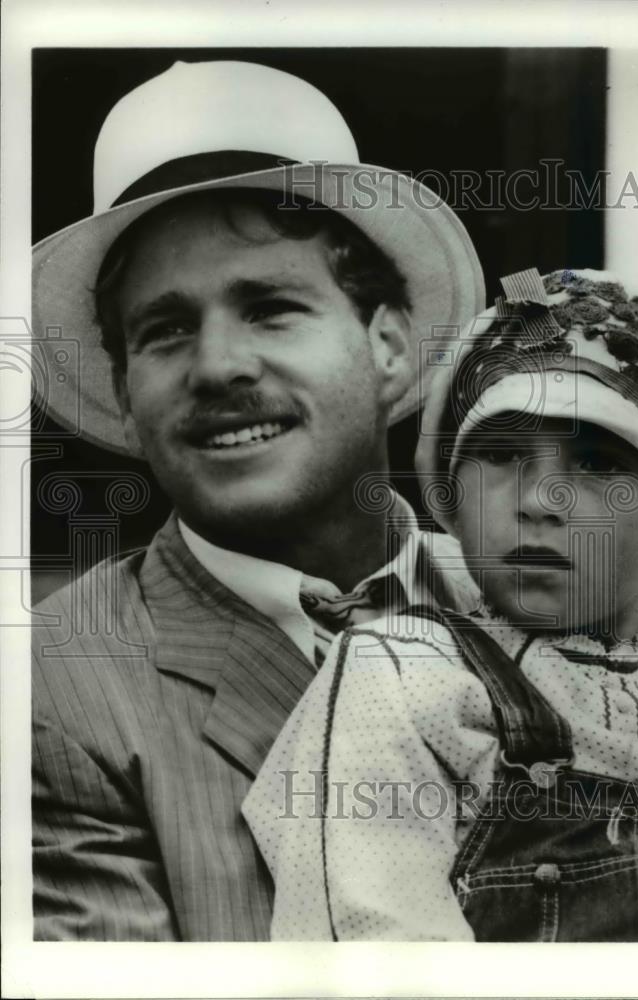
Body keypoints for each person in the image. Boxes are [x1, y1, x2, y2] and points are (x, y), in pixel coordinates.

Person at [30, 59, 486, 940]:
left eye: (271, 307)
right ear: (124, 392)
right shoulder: (56, 686)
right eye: (164, 331)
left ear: (387, 345)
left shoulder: (545, 604)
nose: (218, 367)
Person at [245, 267, 638, 942]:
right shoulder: (402, 673)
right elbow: (373, 944)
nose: (538, 499)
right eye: (502, 454)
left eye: (596, 464)